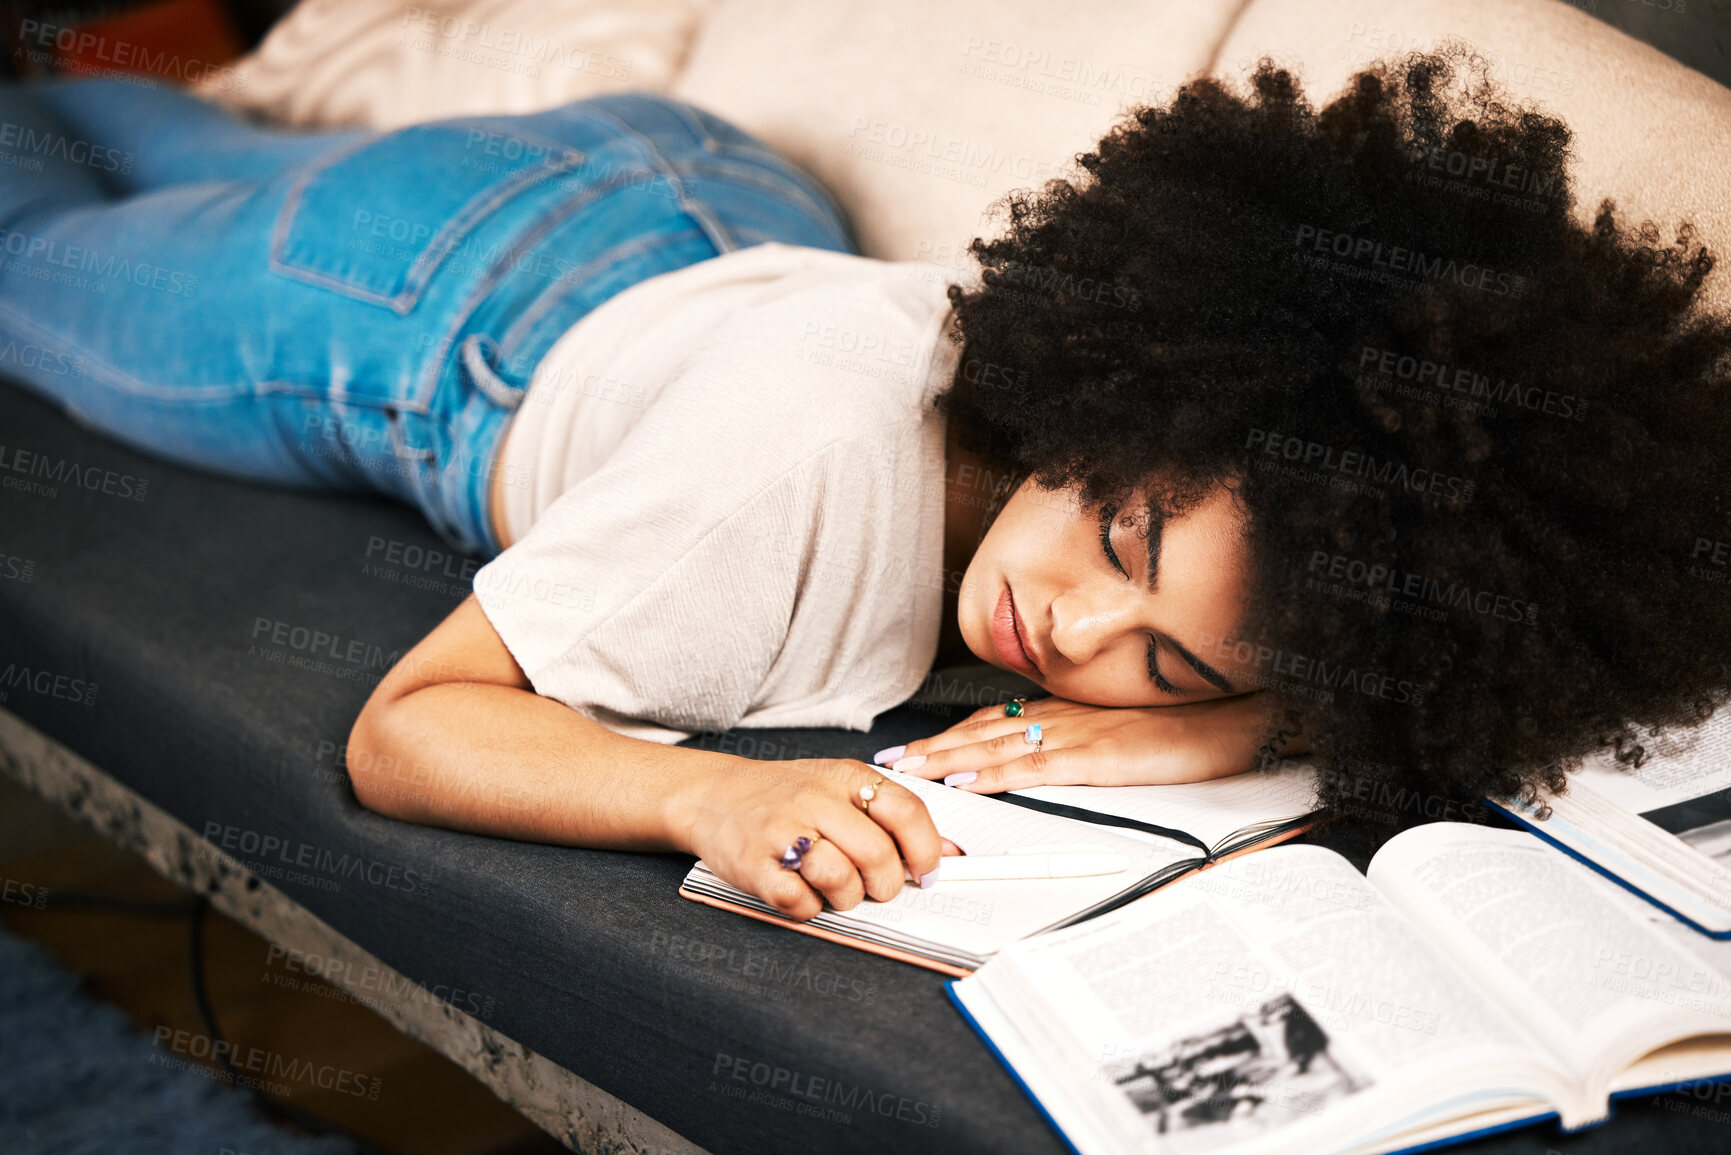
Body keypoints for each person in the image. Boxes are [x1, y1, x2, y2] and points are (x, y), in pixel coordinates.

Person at [4, 47, 1730, 925]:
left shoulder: (1217, 526)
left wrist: (1215, 722)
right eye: (1123, 534)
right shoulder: (783, 493)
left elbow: (1363, 666)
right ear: (1126, 389)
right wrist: (712, 802)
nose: (1065, 624)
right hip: (422, 298)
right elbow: (408, 729)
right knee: (39, 243)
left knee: (199, 141)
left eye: (1173, 656)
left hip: (703, 203)